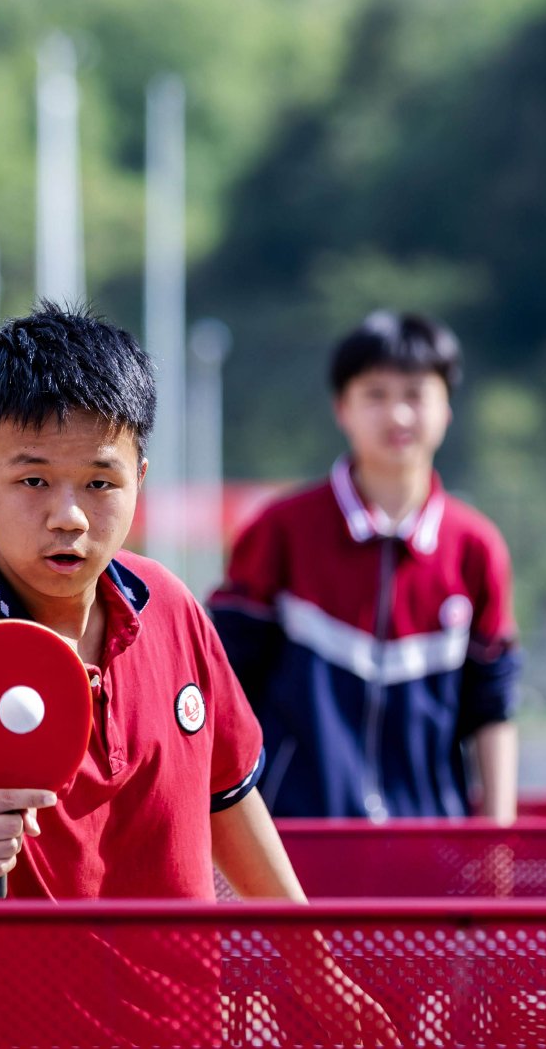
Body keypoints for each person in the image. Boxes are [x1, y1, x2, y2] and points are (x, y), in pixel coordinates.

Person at [0, 304, 299, 905]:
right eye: (33, 481)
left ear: (140, 478)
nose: (68, 517)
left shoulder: (173, 605)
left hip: (178, 1001)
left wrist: (316, 967)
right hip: (3, 1003)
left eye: (100, 483)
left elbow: (228, 797)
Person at [209, 311, 520, 823]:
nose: (397, 415)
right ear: (342, 408)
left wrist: (497, 840)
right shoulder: (279, 531)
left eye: (416, 395)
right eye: (375, 395)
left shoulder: (476, 548)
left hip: (432, 844)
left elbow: (494, 708)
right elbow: (225, 687)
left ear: (446, 409)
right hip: (297, 841)